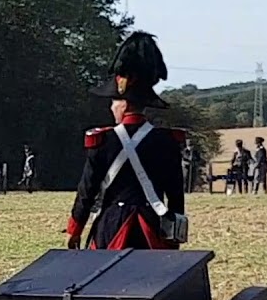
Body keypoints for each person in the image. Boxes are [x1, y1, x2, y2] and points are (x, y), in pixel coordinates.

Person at [66, 30, 185, 250]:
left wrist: (75, 230)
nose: (112, 107)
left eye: (114, 101)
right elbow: (176, 195)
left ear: (124, 103)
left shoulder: (103, 140)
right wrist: (174, 237)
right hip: (154, 230)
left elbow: (87, 191)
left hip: (112, 229)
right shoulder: (167, 140)